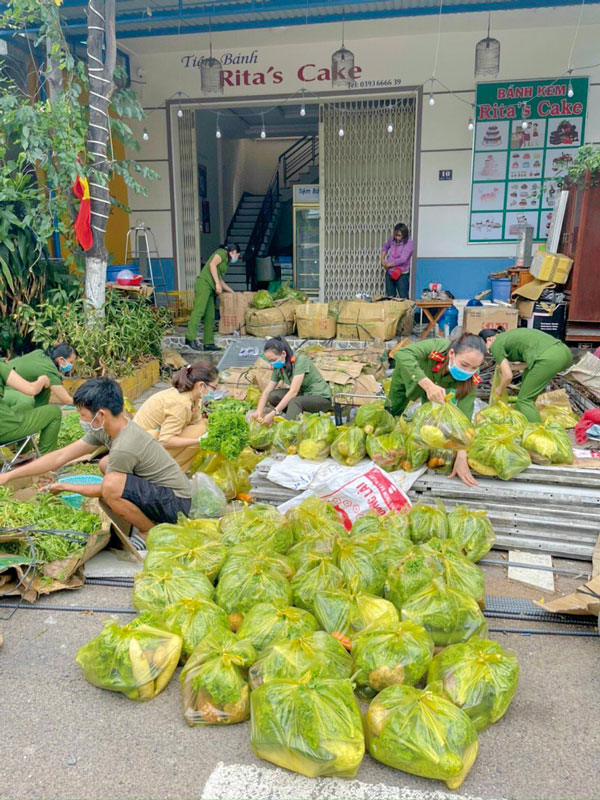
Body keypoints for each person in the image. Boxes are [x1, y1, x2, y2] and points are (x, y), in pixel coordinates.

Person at [0, 378, 192, 541]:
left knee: (111, 484)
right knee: (105, 464)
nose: (81, 420)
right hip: (161, 490)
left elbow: (105, 489)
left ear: (100, 415)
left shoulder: (125, 445)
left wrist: (65, 487)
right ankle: (137, 514)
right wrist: (10, 475)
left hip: (176, 505)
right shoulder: (107, 429)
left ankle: (148, 530)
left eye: (83, 415)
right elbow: (61, 456)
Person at [388, 334, 486, 487]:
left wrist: (461, 454)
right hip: (411, 376)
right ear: (452, 354)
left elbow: (464, 415)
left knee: (431, 422)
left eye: (474, 367)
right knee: (392, 411)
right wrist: (427, 385)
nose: (468, 371)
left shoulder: (471, 376)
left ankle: (418, 449)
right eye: (464, 364)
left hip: (437, 390)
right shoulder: (438, 346)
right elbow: (402, 354)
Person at [133, 361, 220, 472]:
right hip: (142, 453)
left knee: (204, 425)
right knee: (201, 433)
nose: (215, 391)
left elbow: (197, 421)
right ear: (201, 386)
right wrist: (198, 441)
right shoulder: (180, 404)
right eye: (214, 388)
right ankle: (168, 473)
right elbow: (165, 441)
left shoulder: (191, 397)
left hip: (147, 444)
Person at [479, 327, 573, 422]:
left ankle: (537, 433)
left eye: (485, 349)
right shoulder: (507, 337)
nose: (488, 352)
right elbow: (530, 362)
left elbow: (508, 376)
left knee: (524, 400)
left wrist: (499, 389)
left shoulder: (496, 344)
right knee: (526, 384)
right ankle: (521, 419)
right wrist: (512, 367)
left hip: (549, 358)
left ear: (489, 339)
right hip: (564, 353)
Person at [251, 336, 331, 423]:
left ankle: (287, 428)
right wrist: (258, 411)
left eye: (273, 360)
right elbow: (267, 391)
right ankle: (294, 415)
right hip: (304, 395)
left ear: (283, 354)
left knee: (295, 401)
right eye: (269, 361)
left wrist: (273, 413)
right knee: (273, 395)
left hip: (320, 398)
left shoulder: (300, 360)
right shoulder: (279, 367)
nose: (272, 363)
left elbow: (293, 392)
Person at [185, 243, 241, 352]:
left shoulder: (226, 261)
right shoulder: (221, 253)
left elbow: (220, 280)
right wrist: (217, 284)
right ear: (233, 252)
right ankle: (190, 338)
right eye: (238, 255)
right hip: (204, 284)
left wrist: (233, 292)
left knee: (210, 316)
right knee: (199, 311)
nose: (237, 257)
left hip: (211, 288)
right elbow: (212, 265)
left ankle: (208, 342)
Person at [0, 362, 60, 455]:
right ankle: (45, 462)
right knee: (54, 412)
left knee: (25, 405)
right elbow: (31, 389)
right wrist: (42, 379)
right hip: (4, 430)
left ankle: (23, 453)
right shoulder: (1, 366)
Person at [5, 344, 76, 409]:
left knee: (46, 384)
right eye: (71, 362)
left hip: (6, 376)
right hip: (4, 389)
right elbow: (67, 400)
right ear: (61, 359)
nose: (71, 365)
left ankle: (38, 410)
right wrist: (84, 403)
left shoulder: (39, 353)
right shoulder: (49, 372)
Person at [381, 223, 414, 299]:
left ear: (404, 234)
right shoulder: (392, 239)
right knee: (390, 296)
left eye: (399, 235)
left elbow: (403, 259)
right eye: (395, 235)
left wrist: (389, 264)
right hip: (390, 272)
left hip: (401, 273)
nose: (397, 238)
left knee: (403, 297)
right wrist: (382, 259)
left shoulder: (409, 243)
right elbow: (385, 247)